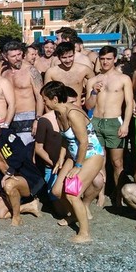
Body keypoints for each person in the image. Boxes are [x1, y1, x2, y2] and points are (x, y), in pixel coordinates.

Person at [42, 81, 105, 243]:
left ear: (54, 99)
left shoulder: (73, 113)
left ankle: (85, 233)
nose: (43, 103)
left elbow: (83, 142)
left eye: (45, 99)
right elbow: (66, 138)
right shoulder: (58, 112)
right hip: (74, 154)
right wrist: (61, 159)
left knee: (72, 192)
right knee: (56, 191)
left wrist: (78, 166)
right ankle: (75, 216)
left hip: (91, 155)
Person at [84, 46, 134, 205]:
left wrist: (125, 124)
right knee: (99, 160)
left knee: (117, 162)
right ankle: (100, 194)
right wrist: (93, 92)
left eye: (109, 59)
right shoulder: (93, 80)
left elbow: (129, 104)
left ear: (114, 59)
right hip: (96, 122)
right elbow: (89, 106)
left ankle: (119, 195)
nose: (105, 62)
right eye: (102, 59)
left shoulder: (123, 79)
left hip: (114, 121)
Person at [0, 112, 44, 225]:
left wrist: (9, 172)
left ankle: (16, 218)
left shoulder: (8, 136)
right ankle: (29, 206)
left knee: (9, 184)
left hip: (24, 179)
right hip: (5, 186)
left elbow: (21, 154)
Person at [2, 41, 43, 144]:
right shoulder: (4, 73)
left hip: (28, 116)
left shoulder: (31, 71)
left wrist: (38, 119)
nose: (17, 58)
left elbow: (40, 97)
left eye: (19, 54)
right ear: (6, 57)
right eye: (13, 56)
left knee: (26, 153)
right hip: (10, 118)